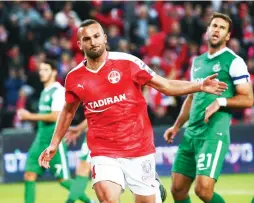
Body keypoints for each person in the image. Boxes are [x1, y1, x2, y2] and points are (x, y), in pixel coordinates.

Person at [38, 19, 227, 203]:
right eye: (87, 39)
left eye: (96, 36)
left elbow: (166, 85)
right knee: (108, 199)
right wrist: (54, 143)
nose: (93, 42)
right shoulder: (74, 78)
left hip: (138, 147)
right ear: (80, 44)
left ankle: (153, 186)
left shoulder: (128, 63)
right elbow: (68, 111)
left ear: (105, 38)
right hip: (103, 151)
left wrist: (200, 85)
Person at [163, 12, 253, 203]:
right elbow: (191, 97)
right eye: (214, 26)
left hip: (213, 133)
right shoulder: (197, 62)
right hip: (191, 133)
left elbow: (248, 99)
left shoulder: (234, 61)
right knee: (177, 190)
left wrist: (220, 102)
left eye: (222, 28)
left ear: (227, 36)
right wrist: (177, 126)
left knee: (203, 190)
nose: (216, 30)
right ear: (207, 30)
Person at [18, 60, 93, 203]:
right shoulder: (44, 91)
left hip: (54, 141)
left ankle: (91, 202)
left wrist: (29, 116)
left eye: (46, 69)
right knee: (29, 175)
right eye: (40, 70)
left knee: (63, 179)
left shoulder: (58, 91)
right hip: (40, 140)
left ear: (54, 72)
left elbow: (55, 115)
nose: (42, 72)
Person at [65, 119, 167, 203]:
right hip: (100, 134)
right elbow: (96, 108)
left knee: (140, 188)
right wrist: (79, 128)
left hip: (118, 133)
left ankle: (153, 191)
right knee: (107, 194)